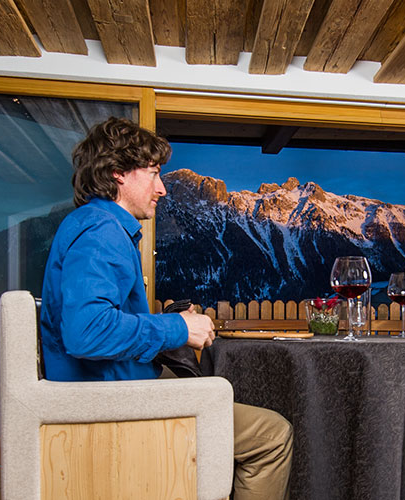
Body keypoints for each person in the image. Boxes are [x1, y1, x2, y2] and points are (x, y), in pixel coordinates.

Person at [39, 117, 293, 499]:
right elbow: (86, 331)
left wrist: (169, 321)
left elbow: (101, 318)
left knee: (212, 388)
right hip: (112, 396)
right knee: (272, 435)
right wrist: (178, 328)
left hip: (118, 380)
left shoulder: (97, 225)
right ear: (117, 173)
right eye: (155, 174)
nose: (162, 188)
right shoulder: (102, 231)